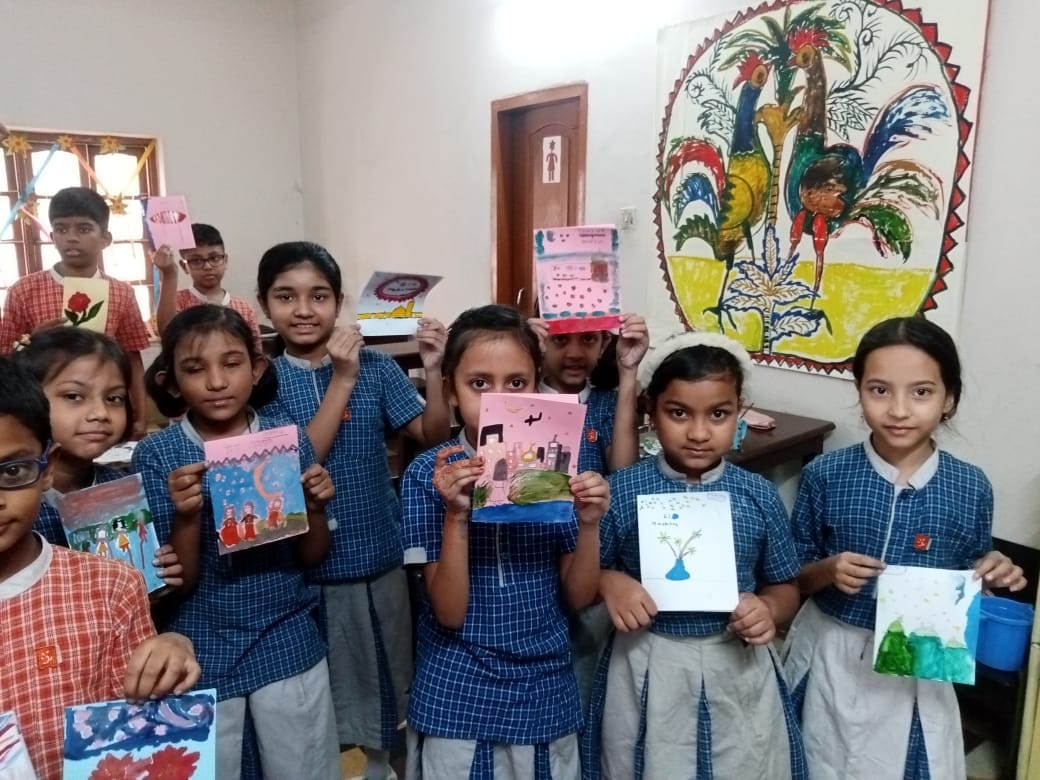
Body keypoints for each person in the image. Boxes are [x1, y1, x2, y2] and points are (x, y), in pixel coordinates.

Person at [783, 316, 1027, 779]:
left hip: (920, 657)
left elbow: (972, 565)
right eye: (879, 390)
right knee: (819, 754)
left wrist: (991, 568)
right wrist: (828, 570)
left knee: (899, 761)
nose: (898, 409)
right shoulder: (825, 474)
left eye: (921, 392)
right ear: (859, 391)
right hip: (831, 647)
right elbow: (794, 574)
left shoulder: (971, 486)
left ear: (949, 398)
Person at [257, 240, 451, 779]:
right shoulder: (261, 381)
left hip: (379, 554)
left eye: (319, 296)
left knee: (390, 679)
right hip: (306, 567)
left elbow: (433, 436)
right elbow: (290, 468)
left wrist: (435, 369)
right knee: (325, 694)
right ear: (264, 304)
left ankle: (383, 767)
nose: (303, 310)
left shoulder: (379, 368)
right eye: (286, 297)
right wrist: (342, 379)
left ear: (339, 302)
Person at [131, 304, 341, 779]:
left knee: (303, 762)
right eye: (194, 369)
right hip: (201, 637)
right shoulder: (158, 454)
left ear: (257, 368)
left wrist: (314, 507)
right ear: (170, 382)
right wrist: (188, 515)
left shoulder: (286, 440)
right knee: (219, 764)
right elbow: (175, 583)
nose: (216, 381)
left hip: (285, 627)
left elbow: (312, 556)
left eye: (231, 363)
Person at [400, 304, 609, 779]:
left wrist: (590, 524)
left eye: (516, 383)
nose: (499, 400)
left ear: (538, 385)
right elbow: (449, 613)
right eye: (479, 384)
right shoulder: (427, 474)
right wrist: (456, 514)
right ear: (450, 390)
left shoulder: (558, 463)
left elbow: (578, 598)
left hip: (543, 678)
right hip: (456, 680)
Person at [587, 331, 806, 779]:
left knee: (740, 762)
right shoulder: (622, 491)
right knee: (644, 761)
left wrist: (767, 609)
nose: (699, 433)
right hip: (647, 660)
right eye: (679, 413)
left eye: (718, 414)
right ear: (651, 410)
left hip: (735, 661)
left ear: (740, 410)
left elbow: (785, 584)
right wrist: (609, 581)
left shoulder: (758, 495)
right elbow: (584, 578)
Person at [0, 356, 199, 780]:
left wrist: (171, 648)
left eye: (13, 470)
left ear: (47, 467)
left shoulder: (112, 585)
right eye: (74, 396)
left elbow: (139, 738)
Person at [527, 316, 649, 715]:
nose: (575, 353)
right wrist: (527, 357)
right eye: (560, 341)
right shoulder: (522, 398)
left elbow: (624, 473)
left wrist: (629, 373)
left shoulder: (606, 403)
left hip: (591, 555)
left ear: (604, 344)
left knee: (586, 673)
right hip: (535, 560)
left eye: (589, 340)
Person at [13, 328, 182, 590]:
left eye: (114, 398)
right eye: (73, 396)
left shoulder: (124, 490)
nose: (100, 413)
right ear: (28, 400)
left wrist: (155, 575)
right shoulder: (14, 501)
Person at [0, 187, 151, 438]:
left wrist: (140, 417)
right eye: (61, 229)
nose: (71, 238)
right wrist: (32, 341)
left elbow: (132, 360)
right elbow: (5, 358)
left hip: (102, 408)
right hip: (41, 411)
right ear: (52, 236)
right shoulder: (23, 290)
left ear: (105, 238)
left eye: (83, 229)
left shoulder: (122, 292)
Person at [152, 222, 262, 346]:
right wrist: (170, 275)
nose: (207, 266)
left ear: (225, 261)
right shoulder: (177, 301)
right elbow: (166, 333)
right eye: (196, 260)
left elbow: (256, 350)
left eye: (214, 258)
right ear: (184, 266)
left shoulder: (244, 309)